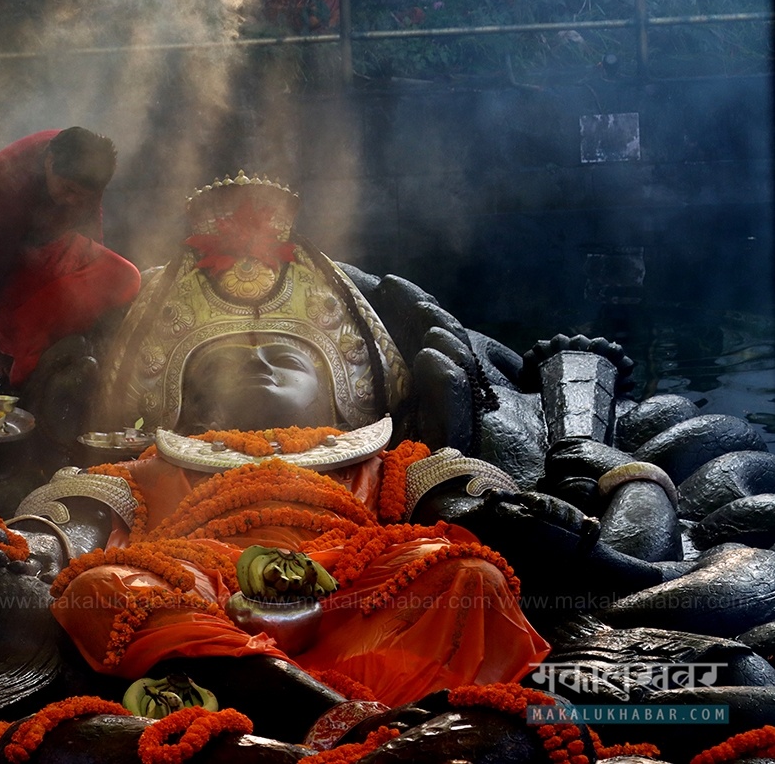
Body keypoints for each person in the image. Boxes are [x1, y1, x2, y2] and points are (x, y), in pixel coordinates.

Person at [29, 173, 551, 707]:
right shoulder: (153, 465)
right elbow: (75, 519)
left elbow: (457, 500)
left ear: (332, 389)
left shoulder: (376, 459)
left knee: (469, 573)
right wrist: (32, 542)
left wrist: (506, 513)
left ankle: (301, 696)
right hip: (202, 593)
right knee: (101, 588)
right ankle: (291, 695)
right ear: (190, 402)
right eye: (226, 363)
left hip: (352, 592)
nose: (255, 363)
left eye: (283, 359)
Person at [0, 127, 142, 387]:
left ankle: (44, 337)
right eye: (67, 189)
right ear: (50, 162)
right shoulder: (7, 179)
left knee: (125, 276)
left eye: (80, 195)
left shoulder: (91, 169)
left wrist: (89, 281)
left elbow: (90, 229)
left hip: (49, 249)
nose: (71, 200)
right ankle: (16, 345)